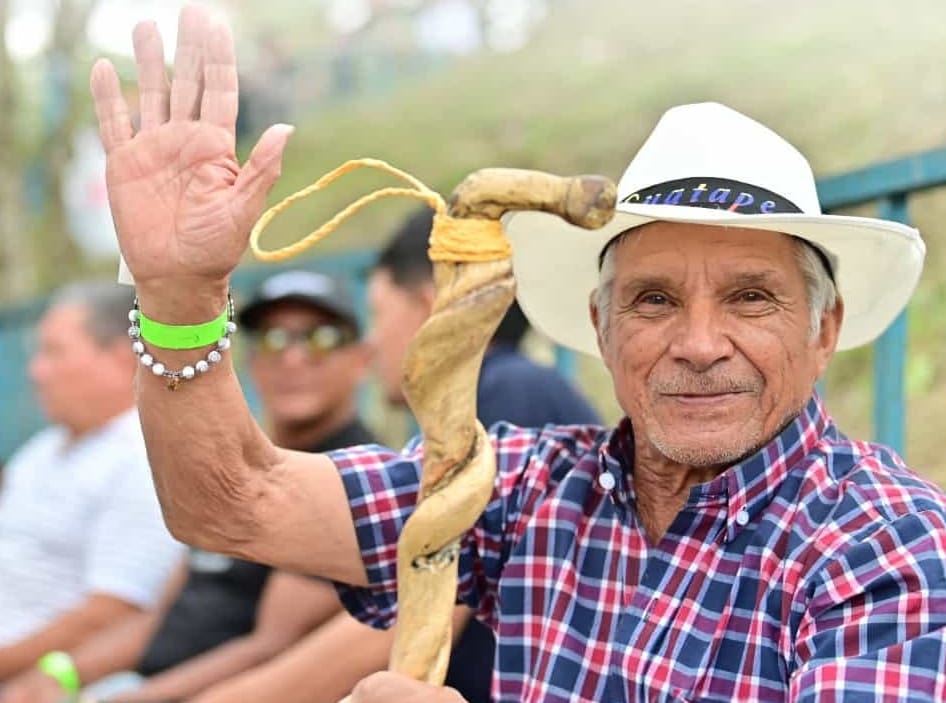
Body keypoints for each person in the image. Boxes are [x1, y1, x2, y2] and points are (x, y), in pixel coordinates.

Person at [88, 6, 946, 702]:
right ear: (602, 330)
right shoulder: (525, 488)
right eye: (653, 300)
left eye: (750, 297)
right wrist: (178, 296)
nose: (697, 343)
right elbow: (234, 503)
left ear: (825, 326)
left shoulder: (888, 550)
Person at [189, 210, 600, 703]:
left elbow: (428, 603)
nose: (374, 341)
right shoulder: (499, 395)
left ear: (431, 307)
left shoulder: (510, 394)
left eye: (378, 313)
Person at [0, 271, 376, 703]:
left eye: (321, 338)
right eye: (272, 339)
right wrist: (60, 675)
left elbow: (272, 647)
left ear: (362, 359)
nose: (292, 358)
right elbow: (162, 615)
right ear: (249, 361)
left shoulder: (352, 476)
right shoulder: (235, 463)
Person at [0, 282, 182, 684]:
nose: (36, 371)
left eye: (54, 352)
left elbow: (113, 614)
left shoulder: (143, 457)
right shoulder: (44, 447)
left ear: (120, 359)